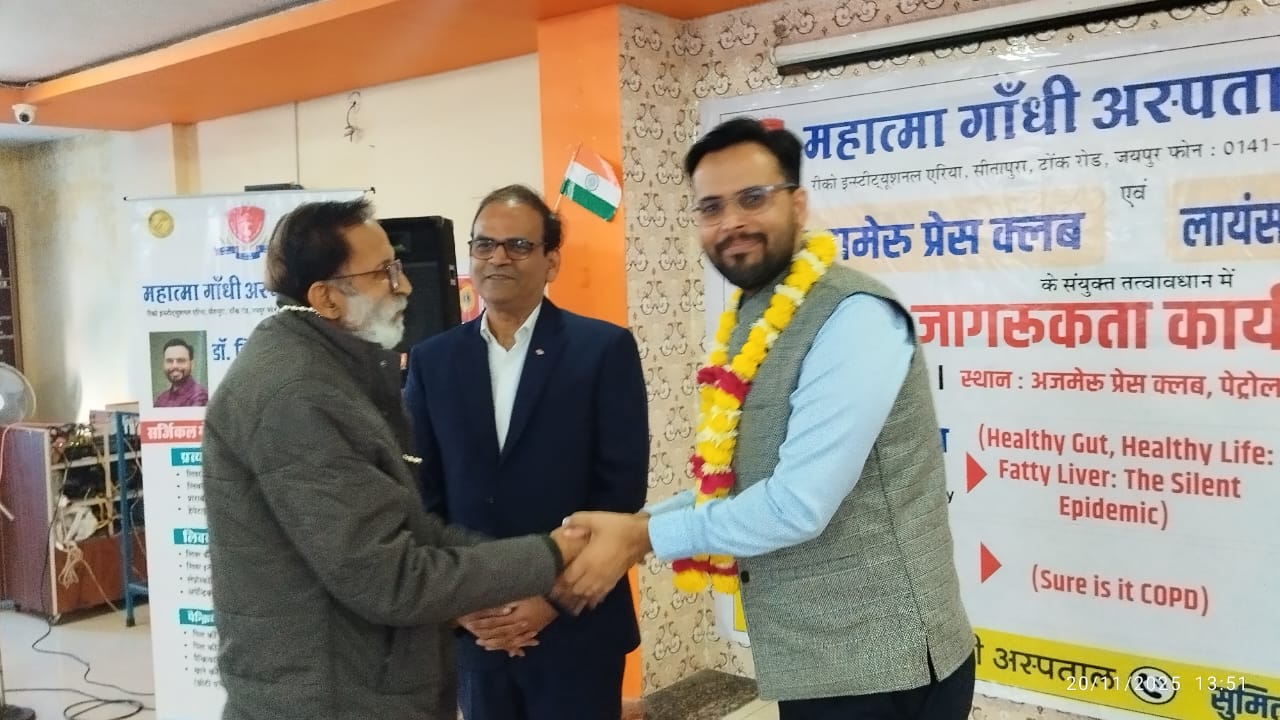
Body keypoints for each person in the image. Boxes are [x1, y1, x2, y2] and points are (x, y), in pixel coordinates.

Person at [558, 117, 976, 720]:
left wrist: (642, 537)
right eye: (711, 207)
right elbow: (743, 483)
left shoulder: (854, 316)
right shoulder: (756, 314)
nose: (731, 222)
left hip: (890, 664)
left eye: (753, 198)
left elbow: (797, 504)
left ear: (797, 204)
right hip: (819, 661)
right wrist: (640, 523)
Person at [202, 197, 586, 720]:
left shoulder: (332, 369)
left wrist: (541, 561)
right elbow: (388, 578)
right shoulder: (296, 394)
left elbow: (407, 527)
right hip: (331, 698)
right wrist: (551, 556)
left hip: (366, 681)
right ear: (326, 297)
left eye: (398, 267)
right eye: (383, 273)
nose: (404, 286)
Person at [403, 184, 648, 720]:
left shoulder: (602, 350)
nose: (497, 258)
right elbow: (422, 497)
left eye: (517, 245)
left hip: (576, 624)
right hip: (477, 631)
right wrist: (463, 604)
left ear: (551, 261)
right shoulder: (432, 360)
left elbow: (619, 493)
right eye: (484, 244)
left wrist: (550, 599)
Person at [154, 338, 208, 407]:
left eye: (181, 360)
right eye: (169, 361)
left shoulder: (200, 396)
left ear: (192, 365)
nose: (174, 366)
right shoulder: (161, 399)